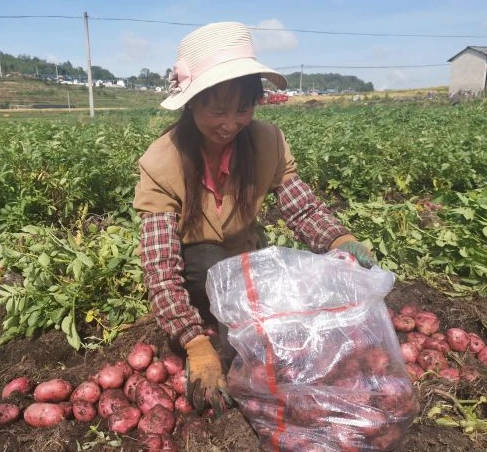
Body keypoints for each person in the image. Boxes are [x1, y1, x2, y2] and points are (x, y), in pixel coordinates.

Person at [132, 21, 376, 416]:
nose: (231, 123)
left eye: (243, 108)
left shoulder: (268, 142)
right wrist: (194, 343)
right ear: (192, 103)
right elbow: (160, 268)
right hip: (199, 271)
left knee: (294, 287)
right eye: (217, 110)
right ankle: (227, 339)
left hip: (248, 262)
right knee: (212, 264)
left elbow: (303, 208)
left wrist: (339, 240)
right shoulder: (162, 162)